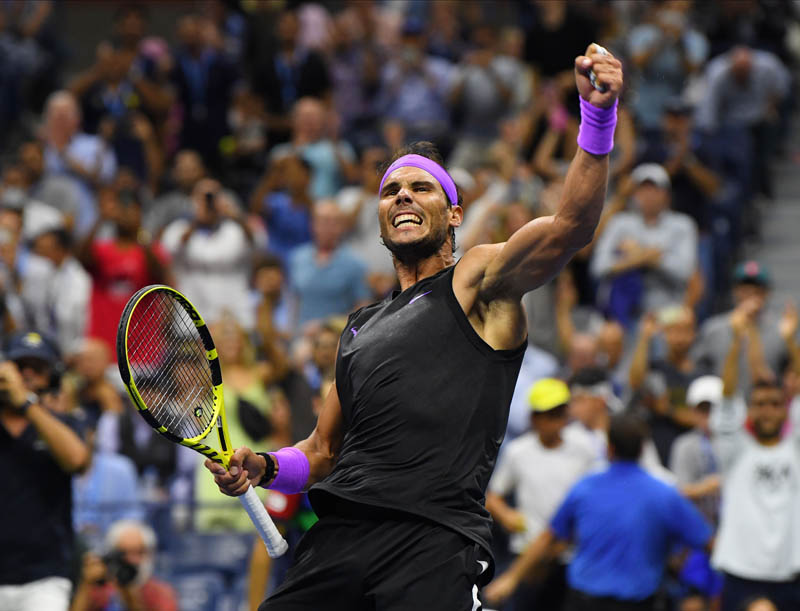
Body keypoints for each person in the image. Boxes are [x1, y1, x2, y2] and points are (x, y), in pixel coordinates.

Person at [206, 43, 623, 610]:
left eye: (421, 187)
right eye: (389, 190)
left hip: (432, 543)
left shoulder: (476, 279)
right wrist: (263, 466)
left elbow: (571, 225)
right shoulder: (357, 328)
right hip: (338, 542)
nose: (401, 194)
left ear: (453, 213)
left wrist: (596, 117)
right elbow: (323, 451)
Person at [485, 414, 713, 610]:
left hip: (584, 602)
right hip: (637, 604)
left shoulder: (585, 488)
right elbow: (705, 540)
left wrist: (511, 578)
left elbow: (548, 537)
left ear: (609, 448)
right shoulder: (665, 494)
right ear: (643, 448)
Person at [486, 378, 596, 611]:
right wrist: (506, 515)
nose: (556, 421)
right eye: (549, 414)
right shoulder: (518, 452)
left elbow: (592, 500)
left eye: (560, 413)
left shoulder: (583, 450)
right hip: (526, 552)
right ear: (534, 418)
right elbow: (493, 495)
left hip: (568, 555)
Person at [0, 331, 90, 611]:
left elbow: (77, 460)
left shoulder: (64, 424)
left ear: (52, 376)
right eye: (20, 366)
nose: (27, 374)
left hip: (44, 577)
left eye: (37, 368)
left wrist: (26, 403)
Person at [710, 344, 800, 609]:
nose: (767, 411)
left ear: (785, 410)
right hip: (743, 573)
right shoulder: (735, 451)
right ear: (749, 410)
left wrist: (789, 341)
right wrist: (737, 341)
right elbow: (726, 397)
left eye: (775, 404)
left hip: (790, 573)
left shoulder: (795, 451)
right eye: (760, 404)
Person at [590, 163, 698, 328]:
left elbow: (684, 272)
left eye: (654, 189)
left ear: (666, 194)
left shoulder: (682, 225)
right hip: (623, 310)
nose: (648, 195)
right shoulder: (619, 223)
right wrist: (648, 256)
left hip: (666, 311)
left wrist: (636, 253)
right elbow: (598, 268)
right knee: (602, 330)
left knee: (678, 322)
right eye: (642, 189)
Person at [70, 519, 178, 611]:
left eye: (139, 552)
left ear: (150, 554)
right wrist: (85, 585)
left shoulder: (160, 593)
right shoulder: (100, 590)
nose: (132, 560)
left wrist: (129, 595)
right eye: (124, 553)